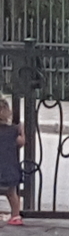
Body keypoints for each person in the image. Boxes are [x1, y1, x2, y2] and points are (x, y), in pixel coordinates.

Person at [0, 97, 25, 226]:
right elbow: (21, 142)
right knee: (12, 193)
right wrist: (22, 130)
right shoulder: (13, 130)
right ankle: (16, 216)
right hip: (9, 167)